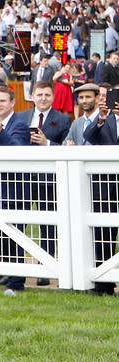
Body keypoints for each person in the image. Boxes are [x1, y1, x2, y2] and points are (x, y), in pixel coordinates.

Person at [16, 81, 71, 285]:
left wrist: (47, 143)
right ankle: (15, 268)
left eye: (47, 95)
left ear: (53, 97)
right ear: (32, 96)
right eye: (39, 95)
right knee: (18, 222)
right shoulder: (21, 117)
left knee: (47, 225)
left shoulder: (64, 119)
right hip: (24, 178)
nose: (43, 98)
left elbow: (68, 146)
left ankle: (45, 267)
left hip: (48, 180)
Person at [0, 85, 31, 294]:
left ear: (12, 102)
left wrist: (0, 132)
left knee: (15, 236)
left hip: (16, 189)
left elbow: (18, 150)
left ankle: (17, 282)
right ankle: (9, 271)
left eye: (2, 101)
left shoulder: (19, 125)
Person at [82, 83, 119, 296]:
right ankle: (104, 284)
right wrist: (102, 117)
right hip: (105, 187)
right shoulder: (103, 119)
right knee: (103, 235)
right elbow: (89, 136)